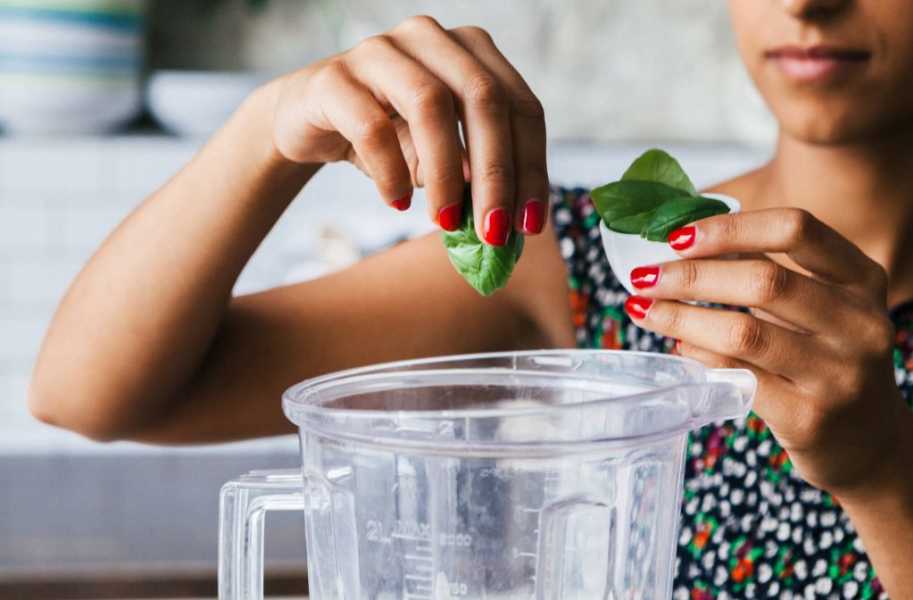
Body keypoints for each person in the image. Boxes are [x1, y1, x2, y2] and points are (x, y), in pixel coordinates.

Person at [28, 0, 913, 597]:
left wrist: (883, 482)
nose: (806, 2)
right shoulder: (590, 256)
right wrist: (266, 134)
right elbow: (88, 393)